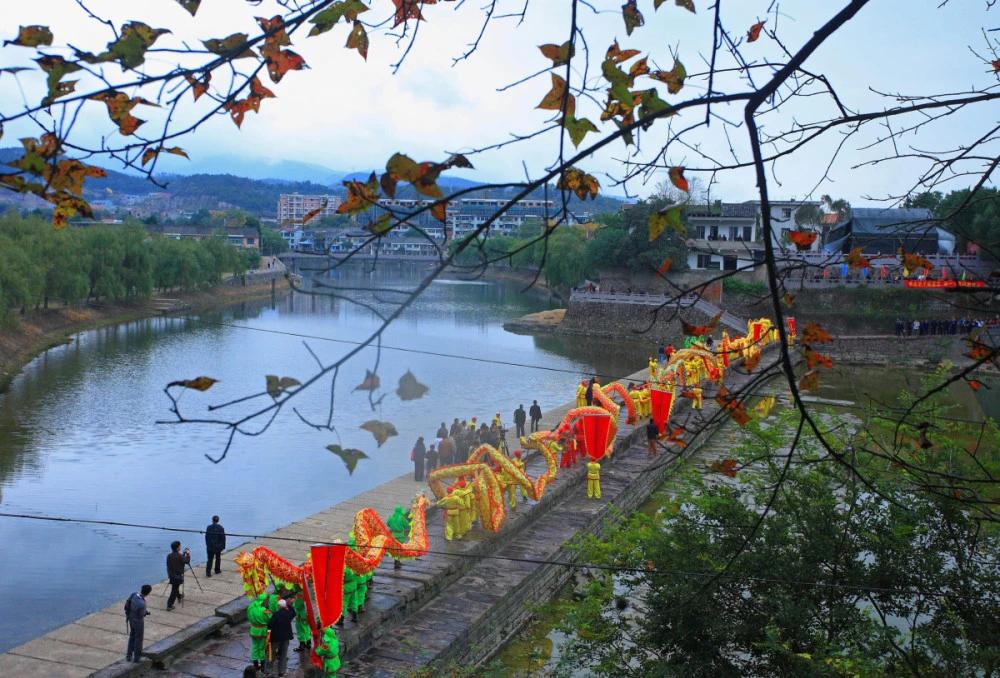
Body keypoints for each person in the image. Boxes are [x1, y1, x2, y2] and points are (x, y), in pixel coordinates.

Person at [267, 597, 296, 677]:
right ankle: (282, 672)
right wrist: (289, 605)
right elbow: (294, 613)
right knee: (283, 655)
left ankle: (268, 671)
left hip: (276, 638)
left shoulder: (276, 614)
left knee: (271, 654)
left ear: (279, 606)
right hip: (285, 638)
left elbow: (270, 625)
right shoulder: (288, 614)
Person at [125, 584, 152, 662]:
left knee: (132, 636)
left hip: (131, 618)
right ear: (148, 593)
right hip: (138, 622)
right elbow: (141, 614)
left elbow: (128, 604)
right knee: (139, 639)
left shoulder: (134, 595)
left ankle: (129, 655)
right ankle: (137, 658)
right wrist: (145, 612)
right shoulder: (142, 604)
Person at [247, 592, 271, 672]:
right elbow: (269, 619)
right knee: (262, 647)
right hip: (262, 631)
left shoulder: (250, 607)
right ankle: (263, 664)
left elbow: (248, 616)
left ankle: (255, 664)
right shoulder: (264, 610)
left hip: (254, 630)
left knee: (254, 646)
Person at [166, 541, 190, 610]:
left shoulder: (169, 555)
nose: (180, 547)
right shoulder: (180, 556)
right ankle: (169, 605)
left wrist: (183, 554)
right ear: (177, 548)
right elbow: (187, 561)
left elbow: (171, 564)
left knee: (175, 587)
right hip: (178, 576)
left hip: (171, 575)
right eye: (179, 546)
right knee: (174, 590)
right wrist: (188, 554)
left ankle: (179, 596)